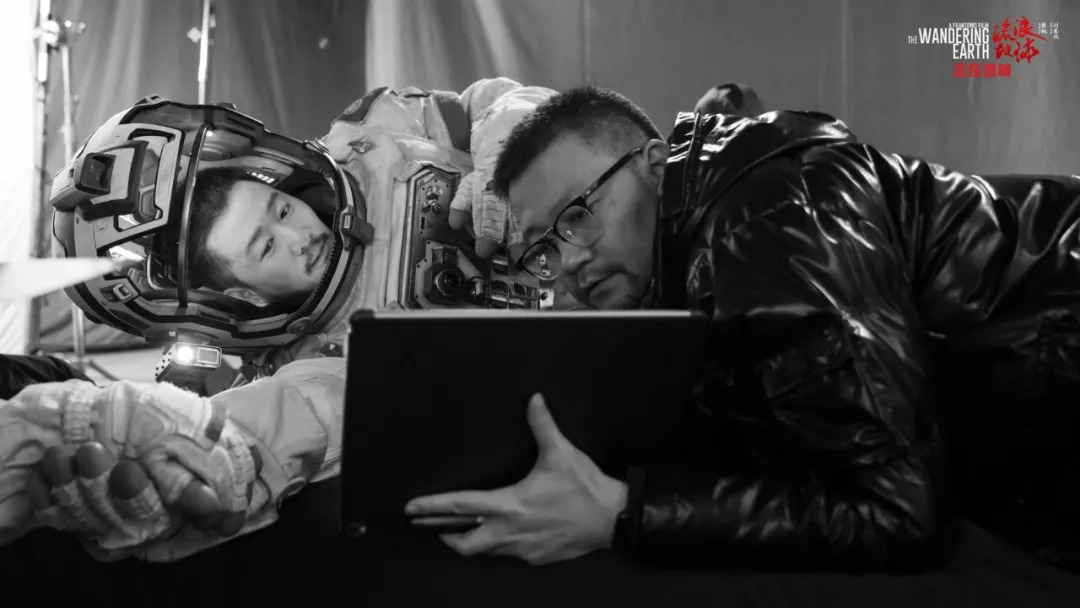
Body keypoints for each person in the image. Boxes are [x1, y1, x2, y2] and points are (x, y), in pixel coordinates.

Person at [405, 86, 1080, 572]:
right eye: (544, 249)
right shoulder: (691, 239)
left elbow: (895, 509)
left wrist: (621, 513)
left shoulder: (765, 223)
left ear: (656, 165)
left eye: (578, 215)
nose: (571, 261)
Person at [0, 78, 555, 560]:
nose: (300, 235)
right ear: (245, 292)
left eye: (282, 208)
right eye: (265, 246)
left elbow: (501, 102)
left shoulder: (380, 131)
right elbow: (285, 421)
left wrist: (510, 155)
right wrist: (199, 455)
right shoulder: (312, 367)